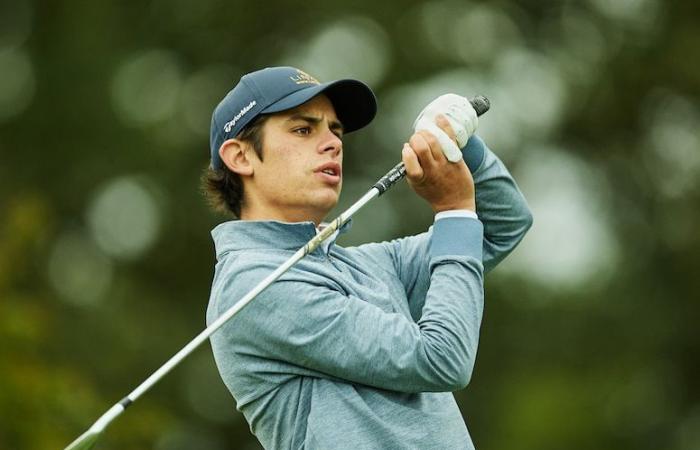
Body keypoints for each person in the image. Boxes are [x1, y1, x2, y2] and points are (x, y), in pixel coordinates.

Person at [203, 66, 532, 450]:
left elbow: (503, 223)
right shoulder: (252, 285)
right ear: (240, 156)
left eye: (335, 130)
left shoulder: (372, 267)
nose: (333, 143)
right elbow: (441, 358)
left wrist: (458, 142)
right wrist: (453, 209)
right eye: (303, 130)